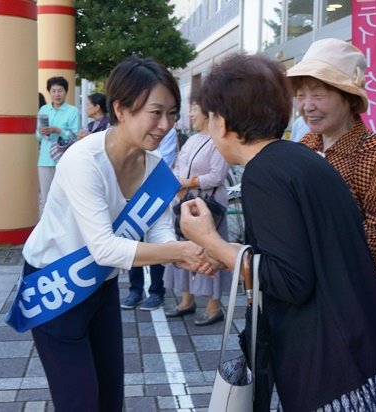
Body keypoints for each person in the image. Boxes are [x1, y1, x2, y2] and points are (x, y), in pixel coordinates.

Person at [180, 53, 376, 411]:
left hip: (333, 373)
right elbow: (299, 251)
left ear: (221, 122)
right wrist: (226, 255)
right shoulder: (299, 158)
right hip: (366, 349)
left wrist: (210, 240)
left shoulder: (264, 174)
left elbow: (289, 281)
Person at [20, 55, 213, 411]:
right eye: (156, 112)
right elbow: (105, 249)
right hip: (56, 286)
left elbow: (159, 235)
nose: (166, 124)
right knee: (79, 402)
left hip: (101, 287)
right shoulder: (83, 161)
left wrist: (196, 254)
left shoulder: (154, 167)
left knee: (110, 398)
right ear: (121, 109)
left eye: (172, 113)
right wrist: (180, 253)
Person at [288, 38, 376, 297]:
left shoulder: (375, 153)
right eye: (301, 95)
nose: (307, 106)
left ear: (350, 99)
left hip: (357, 292)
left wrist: (316, 250)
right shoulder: (306, 143)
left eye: (318, 95)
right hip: (306, 288)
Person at [164, 92, 231, 326]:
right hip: (186, 202)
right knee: (186, 248)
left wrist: (187, 183)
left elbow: (217, 176)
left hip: (208, 206)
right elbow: (178, 166)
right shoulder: (192, 139)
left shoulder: (218, 140)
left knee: (212, 252)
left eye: (194, 108)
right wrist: (177, 183)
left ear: (208, 112)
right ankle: (186, 300)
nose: (190, 113)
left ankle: (214, 307)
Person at [121, 127, 179, 311]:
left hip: (154, 189)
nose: (163, 121)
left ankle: (156, 291)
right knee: (131, 240)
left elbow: (166, 159)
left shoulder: (165, 133)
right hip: (132, 197)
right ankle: (135, 290)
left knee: (157, 245)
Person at [36, 76, 80, 214]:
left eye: (60, 90)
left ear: (65, 92)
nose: (57, 94)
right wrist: (42, 132)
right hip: (44, 160)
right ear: (49, 92)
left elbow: (75, 135)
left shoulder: (72, 111)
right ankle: (45, 232)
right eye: (53, 91)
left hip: (65, 159)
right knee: (45, 198)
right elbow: (37, 136)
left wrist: (58, 131)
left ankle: (63, 232)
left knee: (64, 198)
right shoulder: (43, 109)